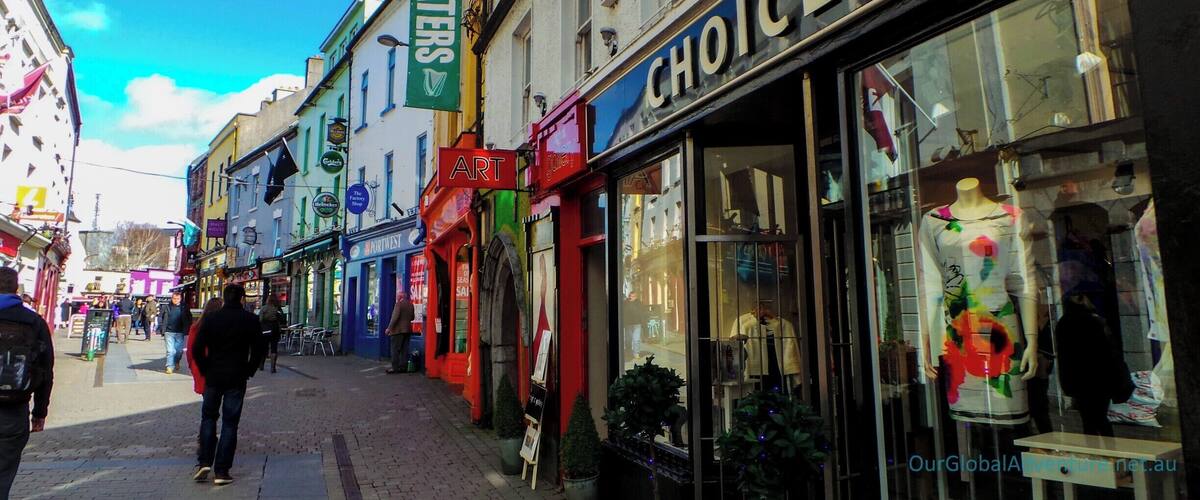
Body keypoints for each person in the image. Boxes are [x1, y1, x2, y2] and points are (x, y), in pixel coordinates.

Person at [191, 285, 265, 485]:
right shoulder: (250, 320)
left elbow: (197, 348)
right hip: (237, 377)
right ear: (241, 298)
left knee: (208, 418)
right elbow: (259, 349)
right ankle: (222, 471)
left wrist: (206, 368)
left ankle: (204, 462)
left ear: (224, 298)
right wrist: (249, 369)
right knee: (230, 423)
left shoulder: (212, 319)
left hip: (214, 376)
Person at [0, 268, 54, 498]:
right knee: (3, 473)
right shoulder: (33, 322)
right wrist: (39, 412)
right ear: (16, 289)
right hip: (13, 410)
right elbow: (46, 370)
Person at [187, 298, 222, 396]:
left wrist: (191, 364)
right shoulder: (225, 326)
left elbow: (190, 349)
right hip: (218, 367)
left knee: (208, 402)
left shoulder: (196, 326)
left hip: (200, 364)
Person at [158, 292, 193, 374]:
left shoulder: (184, 307)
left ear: (180, 299)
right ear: (171, 298)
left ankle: (177, 361)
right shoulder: (166, 307)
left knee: (179, 351)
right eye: (174, 298)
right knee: (170, 351)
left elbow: (189, 318)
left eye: (177, 298)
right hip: (168, 332)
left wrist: (187, 328)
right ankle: (169, 366)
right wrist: (161, 327)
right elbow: (160, 317)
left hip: (180, 332)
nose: (175, 300)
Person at [384, 291, 415, 374]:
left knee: (395, 349)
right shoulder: (410, 304)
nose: (396, 297)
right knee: (404, 349)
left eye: (397, 296)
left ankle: (394, 368)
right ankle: (403, 367)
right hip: (407, 330)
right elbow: (412, 317)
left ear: (401, 297)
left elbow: (395, 318)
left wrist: (389, 328)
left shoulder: (398, 304)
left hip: (398, 331)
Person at [258, 294, 284, 374]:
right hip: (275, 329)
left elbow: (260, 319)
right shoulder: (278, 308)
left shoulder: (264, 308)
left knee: (264, 347)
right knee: (274, 347)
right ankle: (273, 367)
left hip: (265, 329)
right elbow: (282, 319)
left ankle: (261, 364)